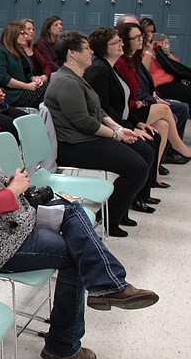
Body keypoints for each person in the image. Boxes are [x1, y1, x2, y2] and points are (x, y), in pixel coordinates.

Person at [0, 83, 158, 359]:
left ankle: (108, 285)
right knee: (75, 256)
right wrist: (16, 187)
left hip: (3, 226)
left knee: (71, 210)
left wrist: (7, 184)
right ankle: (63, 345)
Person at [44, 31, 154, 237]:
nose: (91, 52)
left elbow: (98, 111)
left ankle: (117, 212)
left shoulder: (76, 77)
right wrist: (115, 135)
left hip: (87, 139)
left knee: (142, 157)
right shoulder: (67, 81)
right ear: (73, 54)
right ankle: (111, 219)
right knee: (137, 168)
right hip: (75, 146)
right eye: (86, 48)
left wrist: (118, 128)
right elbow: (84, 122)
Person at [85, 27, 164, 201]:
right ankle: (134, 199)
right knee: (145, 148)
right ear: (105, 47)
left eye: (121, 41)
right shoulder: (99, 70)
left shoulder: (111, 67)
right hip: (109, 126)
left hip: (119, 120)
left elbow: (124, 105)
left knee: (153, 137)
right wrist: (127, 129)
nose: (122, 44)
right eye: (116, 42)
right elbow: (104, 108)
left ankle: (142, 196)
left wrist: (138, 124)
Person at [114, 22, 191, 166]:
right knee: (166, 109)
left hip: (146, 97)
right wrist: (147, 100)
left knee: (163, 124)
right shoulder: (124, 62)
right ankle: (178, 146)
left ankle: (155, 172)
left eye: (142, 36)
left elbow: (175, 66)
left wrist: (165, 52)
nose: (142, 39)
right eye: (137, 37)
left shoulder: (136, 58)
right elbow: (130, 91)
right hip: (131, 109)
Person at [0, 21, 48, 108]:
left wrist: (34, 79)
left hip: (24, 89)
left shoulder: (19, 51)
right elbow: (4, 79)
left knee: (49, 88)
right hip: (13, 95)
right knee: (49, 92)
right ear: (12, 34)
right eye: (22, 33)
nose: (26, 36)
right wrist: (27, 86)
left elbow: (25, 74)